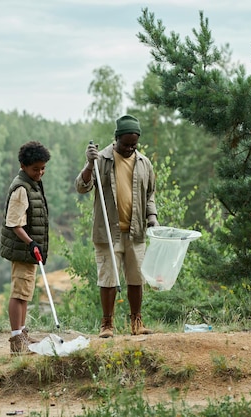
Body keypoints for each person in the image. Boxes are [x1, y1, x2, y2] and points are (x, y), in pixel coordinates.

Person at [75, 114, 159, 338]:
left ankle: (137, 322)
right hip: (108, 232)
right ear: (116, 139)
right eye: (126, 144)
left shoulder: (144, 163)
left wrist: (152, 216)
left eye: (134, 144)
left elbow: (150, 194)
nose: (131, 148)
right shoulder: (101, 159)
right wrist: (89, 164)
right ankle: (107, 324)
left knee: (136, 278)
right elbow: (82, 187)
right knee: (108, 279)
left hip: (136, 231)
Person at [0, 140, 51, 354]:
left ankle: (22, 333)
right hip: (23, 249)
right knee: (19, 294)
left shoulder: (32, 183)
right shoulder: (21, 188)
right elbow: (14, 223)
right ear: (23, 166)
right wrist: (31, 243)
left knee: (25, 293)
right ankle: (16, 341)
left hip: (29, 249)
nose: (40, 172)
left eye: (43, 168)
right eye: (35, 169)